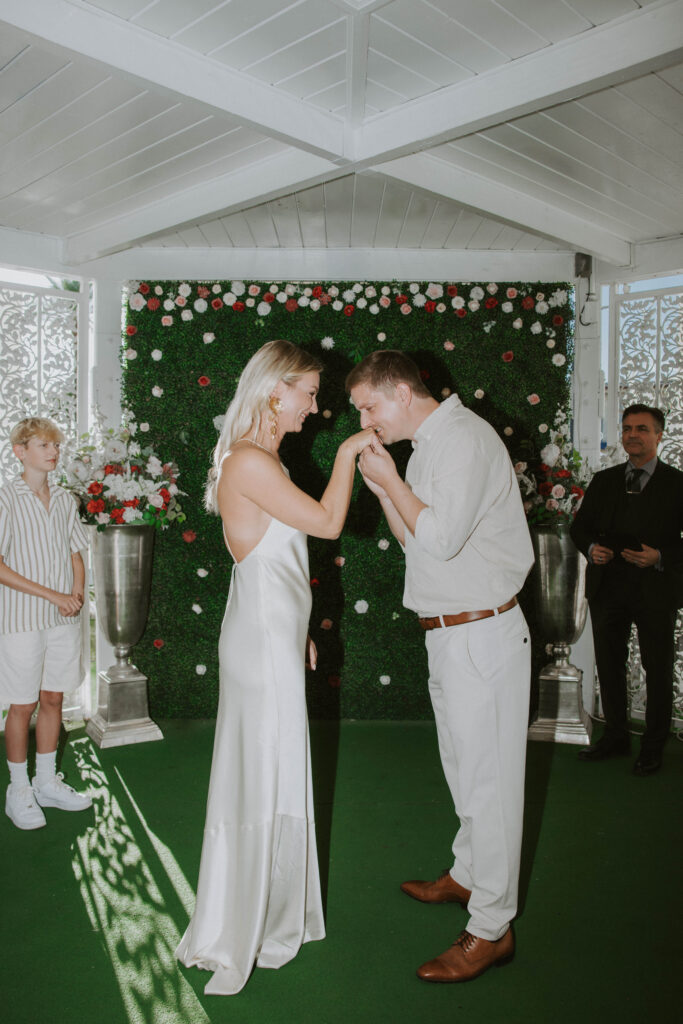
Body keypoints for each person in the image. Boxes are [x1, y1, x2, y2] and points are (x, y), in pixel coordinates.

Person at [176, 339, 375, 996]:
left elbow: (277, 557)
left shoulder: (264, 459)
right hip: (259, 641)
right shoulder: (251, 461)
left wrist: (299, 634)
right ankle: (241, 924)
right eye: (310, 393)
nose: (316, 408)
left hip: (270, 633)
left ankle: (266, 912)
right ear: (274, 390)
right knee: (260, 774)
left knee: (275, 769)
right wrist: (350, 452)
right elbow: (324, 522)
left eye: (316, 396)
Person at [346, 350, 533, 984]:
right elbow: (417, 539)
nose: (366, 420)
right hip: (451, 634)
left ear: (400, 392)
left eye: (369, 406)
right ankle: (468, 875)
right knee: (464, 769)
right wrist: (384, 485)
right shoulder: (428, 443)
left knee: (492, 784)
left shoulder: (464, 439)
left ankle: (491, 929)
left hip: (482, 633)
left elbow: (445, 536)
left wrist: (392, 479)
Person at [570, 404, 683, 776]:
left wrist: (661, 556)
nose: (633, 434)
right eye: (627, 428)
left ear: (659, 435)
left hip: (655, 591)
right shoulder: (604, 481)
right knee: (610, 666)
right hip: (609, 590)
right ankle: (616, 737)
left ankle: (652, 747)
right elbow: (580, 528)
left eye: (642, 429)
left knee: (658, 668)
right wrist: (591, 549)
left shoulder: (678, 484)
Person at [0, 416, 92, 830]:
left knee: (53, 699)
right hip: (21, 619)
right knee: (23, 704)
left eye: (55, 445)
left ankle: (45, 783)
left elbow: (76, 552)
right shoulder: (5, 498)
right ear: (20, 452)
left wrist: (75, 595)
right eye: (43, 446)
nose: (53, 452)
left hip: (62, 618)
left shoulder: (65, 499)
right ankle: (18, 789)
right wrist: (53, 596)